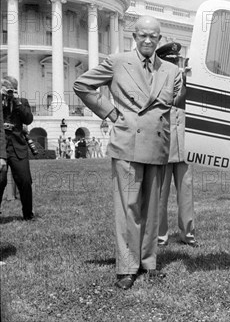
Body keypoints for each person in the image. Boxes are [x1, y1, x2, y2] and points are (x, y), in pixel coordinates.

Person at [73, 15, 185, 290]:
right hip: (127, 144)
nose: (148, 40)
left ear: (160, 39)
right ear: (134, 37)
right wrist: (110, 112)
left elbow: (177, 108)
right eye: (143, 35)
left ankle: (148, 262)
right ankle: (126, 267)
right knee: (128, 208)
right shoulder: (117, 61)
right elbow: (82, 85)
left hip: (158, 147)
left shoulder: (172, 72)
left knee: (152, 210)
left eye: (153, 36)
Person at [155, 42, 197, 248]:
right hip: (163, 146)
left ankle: (187, 234)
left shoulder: (186, 80)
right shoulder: (155, 79)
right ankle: (160, 237)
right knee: (160, 196)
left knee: (186, 194)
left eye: (176, 60)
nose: (174, 64)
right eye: (170, 60)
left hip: (184, 146)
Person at [0, 76, 35, 220]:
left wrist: (17, 101)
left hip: (17, 147)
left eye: (11, 89)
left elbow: (28, 119)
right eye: (5, 89)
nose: (8, 92)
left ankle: (28, 214)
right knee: (0, 180)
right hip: (1, 147)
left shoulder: (22, 102)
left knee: (25, 181)